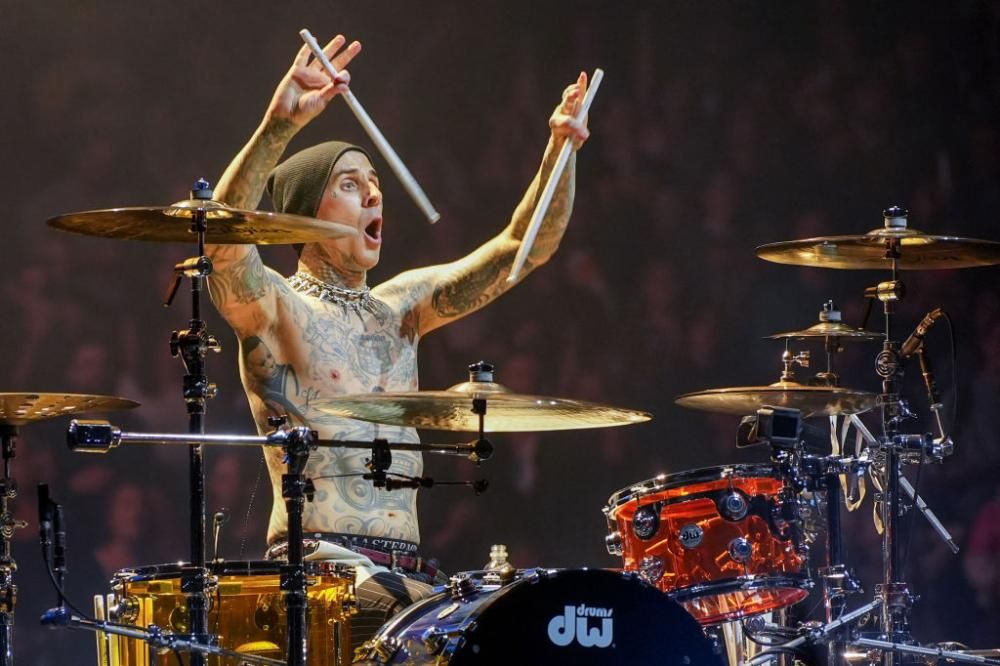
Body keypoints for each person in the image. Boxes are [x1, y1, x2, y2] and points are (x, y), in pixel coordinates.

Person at [206, 34, 589, 652]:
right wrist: (279, 126)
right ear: (305, 212)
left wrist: (560, 151)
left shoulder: (401, 308)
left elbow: (524, 249)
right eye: (350, 184)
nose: (374, 193)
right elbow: (223, 240)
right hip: (324, 574)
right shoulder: (278, 308)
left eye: (375, 181)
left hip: (408, 577)